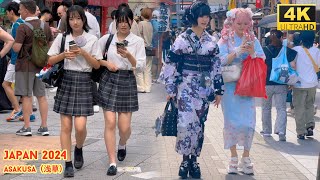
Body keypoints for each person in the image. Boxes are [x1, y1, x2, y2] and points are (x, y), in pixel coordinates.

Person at [160, 2, 223, 179]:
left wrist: (218, 90)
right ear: (194, 16)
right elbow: (170, 64)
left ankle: (194, 160)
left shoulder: (211, 41)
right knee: (186, 125)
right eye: (202, 15)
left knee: (200, 125)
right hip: (185, 88)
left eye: (207, 16)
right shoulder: (182, 39)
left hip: (204, 88)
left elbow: (216, 66)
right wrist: (171, 88)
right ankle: (185, 160)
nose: (205, 19)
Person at [47, 5, 102, 177]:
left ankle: (78, 148)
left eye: (78, 18)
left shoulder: (92, 39)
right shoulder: (62, 38)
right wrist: (64, 55)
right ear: (67, 21)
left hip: (84, 80)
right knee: (65, 126)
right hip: (67, 80)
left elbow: (97, 65)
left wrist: (83, 53)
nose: (75, 22)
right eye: (71, 19)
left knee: (80, 127)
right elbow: (49, 59)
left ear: (84, 20)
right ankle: (67, 162)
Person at [97, 7, 146, 176]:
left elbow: (139, 67)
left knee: (124, 128)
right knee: (110, 123)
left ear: (132, 22)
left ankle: (122, 143)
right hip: (109, 79)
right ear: (115, 21)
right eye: (120, 20)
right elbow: (95, 58)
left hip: (127, 80)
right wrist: (106, 64)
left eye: (127, 21)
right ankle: (112, 162)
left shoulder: (137, 41)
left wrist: (128, 56)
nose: (123, 24)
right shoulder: (107, 39)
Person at [218, 8, 265, 175]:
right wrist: (237, 51)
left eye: (246, 23)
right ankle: (232, 157)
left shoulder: (253, 39)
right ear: (231, 22)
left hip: (247, 86)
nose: (242, 26)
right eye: (239, 23)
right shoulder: (224, 40)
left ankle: (246, 157)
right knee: (231, 123)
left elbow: (262, 58)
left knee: (248, 123)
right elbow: (219, 61)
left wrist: (252, 53)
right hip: (230, 88)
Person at [13, 0, 53, 136]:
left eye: (20, 9)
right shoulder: (45, 26)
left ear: (25, 10)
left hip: (25, 65)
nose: (19, 12)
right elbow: (50, 45)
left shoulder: (22, 27)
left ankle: (27, 127)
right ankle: (44, 126)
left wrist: (13, 44)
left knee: (26, 96)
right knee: (41, 96)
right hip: (41, 66)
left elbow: (17, 48)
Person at [261, 30, 297, 141]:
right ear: (281, 38)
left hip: (267, 84)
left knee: (266, 108)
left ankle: (267, 131)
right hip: (281, 83)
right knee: (281, 108)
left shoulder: (264, 50)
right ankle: (281, 131)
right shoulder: (287, 51)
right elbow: (293, 66)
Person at [292, 31, 320, 139]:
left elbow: (292, 65)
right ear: (313, 39)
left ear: (301, 39)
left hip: (299, 83)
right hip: (312, 83)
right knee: (309, 105)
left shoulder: (296, 50)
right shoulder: (316, 51)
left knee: (299, 107)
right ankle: (309, 126)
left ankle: (300, 131)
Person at [3, 2, 23, 121]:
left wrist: (12, 60)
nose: (7, 15)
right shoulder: (23, 23)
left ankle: (16, 109)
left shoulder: (16, 25)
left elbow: (16, 45)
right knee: (23, 90)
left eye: (7, 13)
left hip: (16, 60)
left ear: (11, 12)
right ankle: (25, 112)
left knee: (5, 84)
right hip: (22, 61)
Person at [136, 7, 153, 93]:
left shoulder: (141, 23)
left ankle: (141, 87)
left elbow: (137, 35)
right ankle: (148, 87)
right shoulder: (150, 24)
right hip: (149, 48)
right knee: (148, 69)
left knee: (139, 69)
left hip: (142, 48)